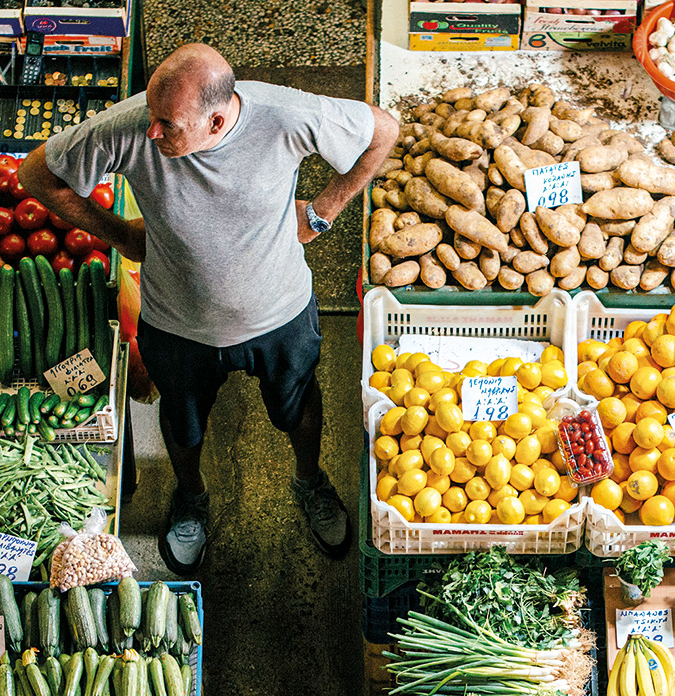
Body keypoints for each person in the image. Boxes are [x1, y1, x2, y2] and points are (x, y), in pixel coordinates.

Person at [20, 44, 399, 575]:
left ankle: (310, 481)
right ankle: (191, 498)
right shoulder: (133, 127)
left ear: (217, 119)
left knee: (296, 406)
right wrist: (117, 236)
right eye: (150, 117)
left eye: (167, 124)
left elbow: (382, 130)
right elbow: (37, 175)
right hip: (177, 324)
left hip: (280, 314)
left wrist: (323, 211)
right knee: (182, 418)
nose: (151, 133)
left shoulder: (285, 117)